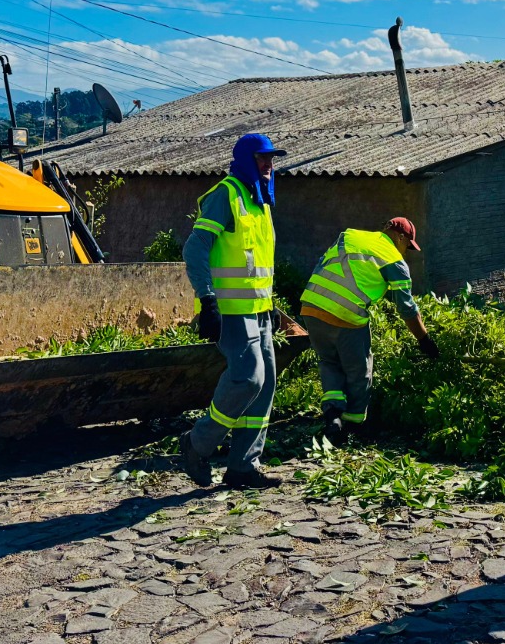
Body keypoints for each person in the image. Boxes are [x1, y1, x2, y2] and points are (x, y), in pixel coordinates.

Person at [178, 132, 286, 490]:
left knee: (266, 383)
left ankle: (243, 466)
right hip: (231, 310)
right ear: (244, 161)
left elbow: (257, 263)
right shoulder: (226, 194)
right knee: (248, 378)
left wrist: (269, 305)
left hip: (258, 309)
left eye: (271, 158)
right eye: (262, 158)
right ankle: (197, 443)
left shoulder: (260, 202)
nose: (269, 165)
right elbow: (195, 249)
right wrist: (207, 299)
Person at [300, 216, 440, 443]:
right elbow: (407, 309)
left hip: (311, 307)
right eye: (407, 246)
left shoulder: (351, 235)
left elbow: (324, 262)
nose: (406, 252)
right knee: (359, 369)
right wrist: (424, 340)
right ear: (400, 236)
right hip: (345, 315)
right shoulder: (394, 260)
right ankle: (354, 428)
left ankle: (333, 417)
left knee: (329, 362)